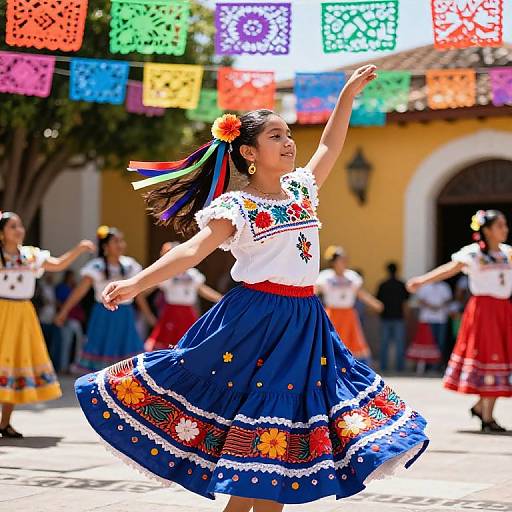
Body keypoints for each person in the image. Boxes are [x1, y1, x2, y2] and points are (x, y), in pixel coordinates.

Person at [76, 65, 428, 511]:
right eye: (276, 136)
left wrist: (346, 96)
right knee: (263, 435)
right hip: (254, 320)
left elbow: (329, 144)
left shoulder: (301, 189)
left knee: (274, 452)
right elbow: (192, 252)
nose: (288, 142)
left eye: (287, 134)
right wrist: (136, 282)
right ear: (249, 152)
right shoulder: (238, 206)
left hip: (305, 320)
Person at [408, 210, 511, 432]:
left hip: (503, 311)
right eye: (500, 225)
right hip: (483, 312)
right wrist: (422, 281)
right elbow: (450, 269)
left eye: (505, 225)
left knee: (499, 359)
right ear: (487, 230)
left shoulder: (508, 253)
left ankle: (481, 409)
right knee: (488, 357)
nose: (505, 229)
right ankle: (487, 416)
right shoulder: (473, 254)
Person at [0, 211, 94, 437]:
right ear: (2, 234)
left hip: (22, 313)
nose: (19, 229)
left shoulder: (30, 256)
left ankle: (5, 422)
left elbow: (59, 264)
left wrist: (79, 250)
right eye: (13, 226)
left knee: (16, 362)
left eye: (20, 225)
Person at [55, 226, 156, 372]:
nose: (120, 245)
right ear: (105, 246)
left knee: (127, 355)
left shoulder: (130, 265)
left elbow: (138, 294)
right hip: (103, 314)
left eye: (121, 241)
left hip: (125, 314)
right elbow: (79, 291)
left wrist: (148, 315)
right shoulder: (96, 266)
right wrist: (64, 311)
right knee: (101, 350)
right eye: (116, 241)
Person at [145, 242, 223, 351]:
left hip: (188, 313)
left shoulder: (192, 274)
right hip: (171, 313)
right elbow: (148, 289)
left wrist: (221, 298)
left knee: (189, 343)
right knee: (166, 345)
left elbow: (202, 289)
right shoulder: (166, 273)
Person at [316, 246, 383, 365]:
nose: (344, 262)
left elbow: (360, 293)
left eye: (345, 260)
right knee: (330, 342)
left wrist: (374, 303)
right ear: (334, 262)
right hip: (332, 314)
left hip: (348, 315)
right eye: (341, 260)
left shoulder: (351, 276)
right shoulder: (325, 277)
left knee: (354, 344)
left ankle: (353, 370)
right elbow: (315, 291)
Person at [376, 262, 409, 373]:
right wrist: (406, 315)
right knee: (399, 343)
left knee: (384, 343)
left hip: (385, 317)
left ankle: (383, 366)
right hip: (399, 317)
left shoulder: (383, 284)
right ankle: (400, 367)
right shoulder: (401, 284)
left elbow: (378, 302)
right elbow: (405, 302)